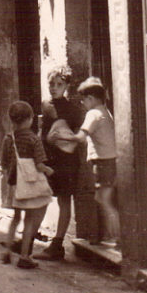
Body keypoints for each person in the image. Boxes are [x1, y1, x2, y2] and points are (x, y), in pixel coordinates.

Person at [0, 100, 54, 269]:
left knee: (15, 218)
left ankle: (7, 252)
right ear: (30, 119)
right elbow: (39, 164)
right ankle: (24, 257)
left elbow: (3, 162)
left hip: (15, 184)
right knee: (29, 220)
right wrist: (48, 170)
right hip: (29, 185)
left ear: (12, 120)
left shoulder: (9, 139)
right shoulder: (33, 139)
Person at [38, 66, 83, 261]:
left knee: (64, 200)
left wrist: (59, 139)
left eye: (59, 84)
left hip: (65, 161)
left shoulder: (73, 109)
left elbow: (74, 137)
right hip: (49, 159)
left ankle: (57, 244)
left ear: (67, 86)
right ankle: (29, 237)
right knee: (40, 196)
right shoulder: (46, 105)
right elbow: (43, 131)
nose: (54, 88)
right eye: (51, 84)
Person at [69, 78, 119, 247]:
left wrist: (59, 136)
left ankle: (117, 237)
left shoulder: (93, 114)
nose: (83, 104)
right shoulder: (105, 111)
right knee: (104, 198)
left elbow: (81, 137)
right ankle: (108, 236)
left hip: (102, 162)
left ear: (90, 98)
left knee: (104, 200)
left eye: (83, 100)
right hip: (110, 160)